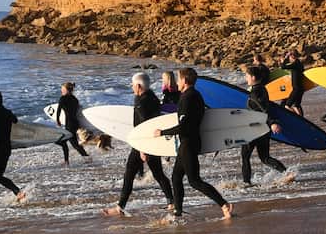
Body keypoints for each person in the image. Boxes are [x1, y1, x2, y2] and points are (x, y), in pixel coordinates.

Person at [155, 67, 233, 220]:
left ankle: (224, 204)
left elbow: (185, 125)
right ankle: (177, 211)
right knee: (176, 177)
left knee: (194, 181)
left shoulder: (188, 97)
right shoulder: (193, 95)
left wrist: (163, 132)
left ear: (184, 80)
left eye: (178, 79)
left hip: (188, 143)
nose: (177, 82)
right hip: (189, 141)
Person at [102, 73, 174, 217]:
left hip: (143, 143)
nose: (132, 87)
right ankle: (171, 202)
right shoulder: (152, 98)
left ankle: (120, 207)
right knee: (158, 173)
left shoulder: (142, 102)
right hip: (150, 142)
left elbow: (145, 126)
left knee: (129, 173)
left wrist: (142, 149)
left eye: (133, 85)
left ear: (139, 86)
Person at [240, 65, 286, 186]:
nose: (246, 78)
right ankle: (286, 173)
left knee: (245, 156)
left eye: (247, 76)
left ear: (253, 77)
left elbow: (263, 109)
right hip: (263, 129)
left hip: (255, 128)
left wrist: (272, 122)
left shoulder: (255, 92)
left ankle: (246, 182)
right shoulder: (262, 89)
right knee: (264, 157)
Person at [54, 81, 90, 165]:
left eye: (62, 89)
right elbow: (78, 111)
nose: (61, 90)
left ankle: (86, 157)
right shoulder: (75, 99)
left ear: (66, 89)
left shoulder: (63, 98)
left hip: (69, 124)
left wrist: (58, 120)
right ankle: (69, 161)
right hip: (76, 123)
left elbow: (59, 110)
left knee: (70, 143)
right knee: (70, 143)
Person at [281, 50, 306, 116]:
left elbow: (283, 67)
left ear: (292, 56)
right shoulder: (299, 64)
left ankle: (297, 118)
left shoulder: (295, 64)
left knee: (287, 106)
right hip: (301, 89)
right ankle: (303, 122)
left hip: (296, 89)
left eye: (289, 57)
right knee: (296, 106)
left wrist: (285, 58)